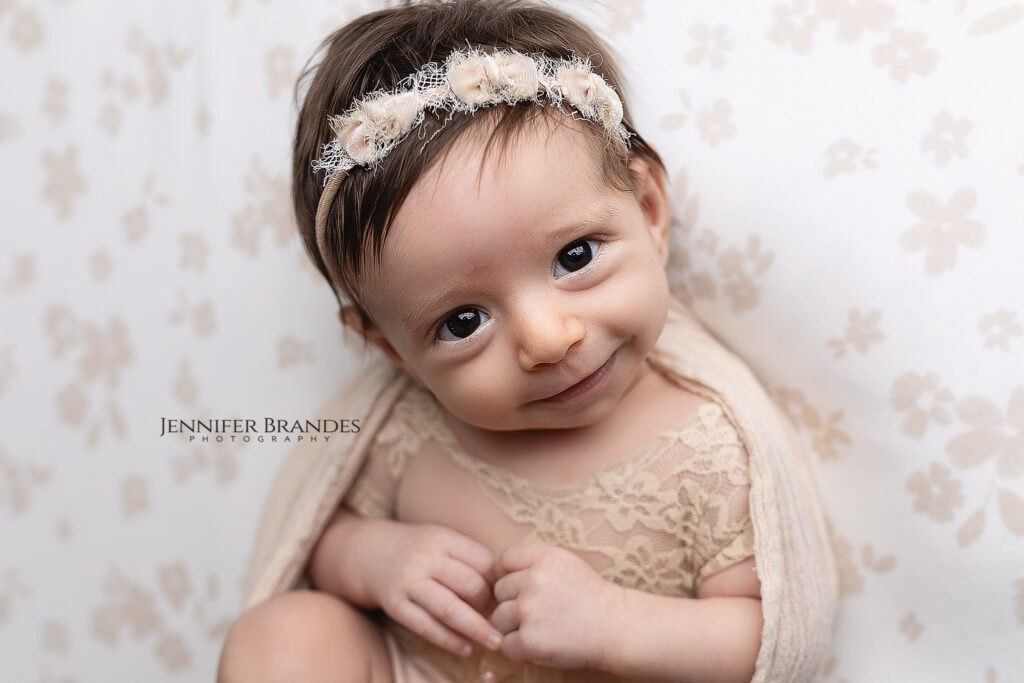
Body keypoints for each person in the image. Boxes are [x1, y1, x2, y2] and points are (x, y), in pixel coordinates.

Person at [218, 1, 836, 682]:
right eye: (462, 322)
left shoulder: (707, 447)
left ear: (650, 210)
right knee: (285, 635)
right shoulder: (407, 429)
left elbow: (768, 632)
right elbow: (317, 536)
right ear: (393, 351)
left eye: (575, 257)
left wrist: (616, 624)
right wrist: (375, 558)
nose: (546, 339)